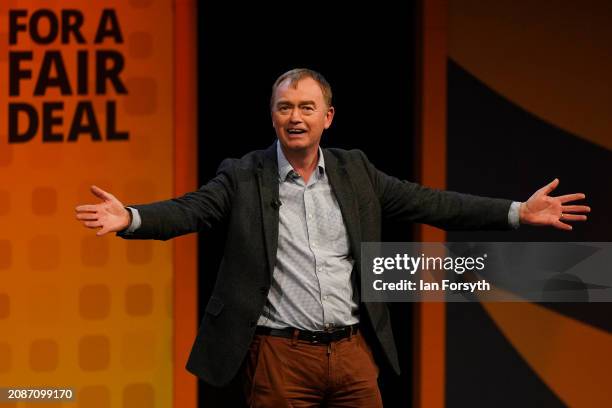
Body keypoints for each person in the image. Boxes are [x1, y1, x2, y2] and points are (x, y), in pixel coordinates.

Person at [75, 68, 590, 407]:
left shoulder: (357, 171)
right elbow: (191, 211)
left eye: (305, 107)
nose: (294, 117)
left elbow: (431, 203)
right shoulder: (243, 174)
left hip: (350, 354)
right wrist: (133, 218)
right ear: (272, 116)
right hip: (278, 357)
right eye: (284, 107)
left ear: (327, 117)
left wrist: (519, 212)